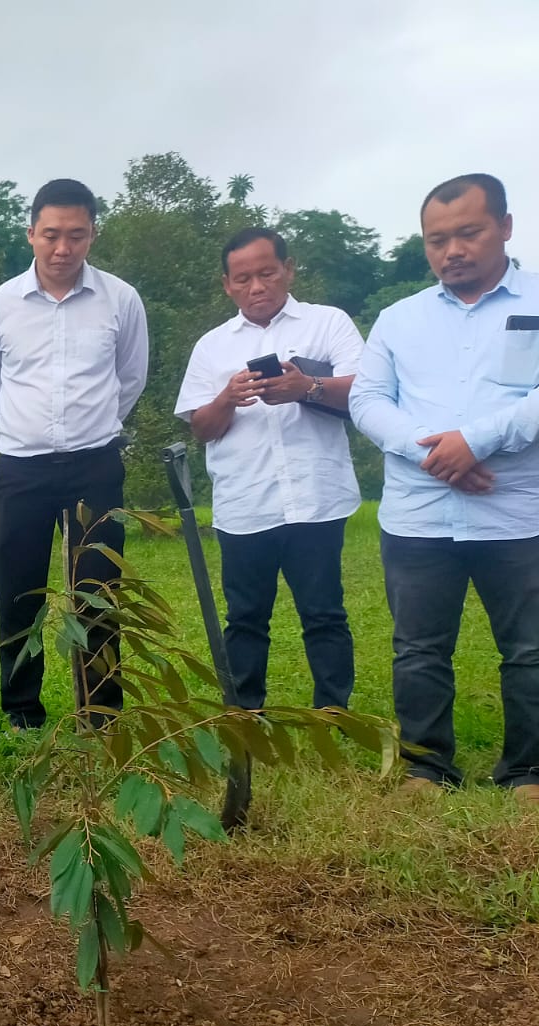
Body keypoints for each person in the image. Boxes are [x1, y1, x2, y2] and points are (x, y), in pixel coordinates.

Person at [350, 174, 539, 800]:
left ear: (505, 228)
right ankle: (426, 767)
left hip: (518, 511)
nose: (452, 250)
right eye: (437, 240)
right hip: (420, 514)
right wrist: (433, 449)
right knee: (419, 650)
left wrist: (477, 440)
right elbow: (368, 399)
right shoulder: (400, 318)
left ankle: (528, 771)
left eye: (469, 233)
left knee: (530, 649)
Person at [0, 178, 149, 731]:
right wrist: (27, 433)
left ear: (93, 234)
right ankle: (22, 709)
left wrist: (87, 427)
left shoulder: (120, 299)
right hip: (21, 469)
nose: (62, 248)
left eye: (76, 235)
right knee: (18, 592)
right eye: (51, 235)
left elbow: (130, 377)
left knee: (98, 591)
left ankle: (100, 709)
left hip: (95, 466)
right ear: (31, 234)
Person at [174, 227, 364, 710]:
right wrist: (228, 398)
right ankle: (246, 714)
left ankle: (333, 713)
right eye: (243, 279)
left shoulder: (329, 323)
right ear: (227, 285)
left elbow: (365, 392)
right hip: (246, 501)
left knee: (324, 613)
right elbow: (202, 428)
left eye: (266, 273)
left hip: (316, 497)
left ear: (288, 269)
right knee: (245, 617)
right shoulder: (211, 346)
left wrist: (309, 387)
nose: (256, 287)